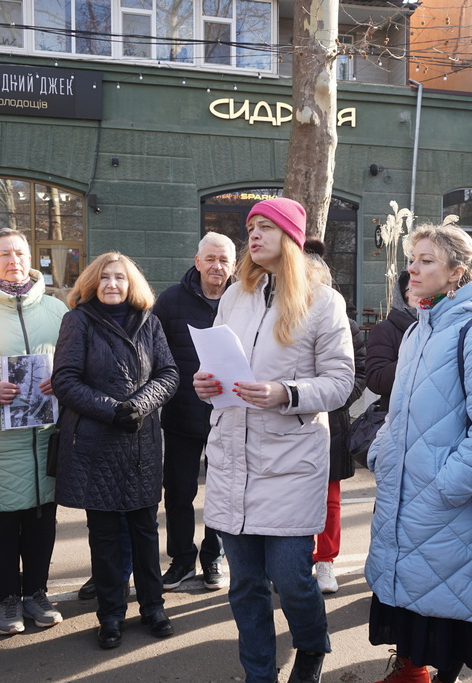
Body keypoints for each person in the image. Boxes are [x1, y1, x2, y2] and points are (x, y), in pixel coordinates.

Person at [193, 197, 354, 683]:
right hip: (231, 457)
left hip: (288, 461)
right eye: (251, 228)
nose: (254, 236)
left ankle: (311, 645)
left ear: (292, 238)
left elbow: (342, 380)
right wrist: (207, 384)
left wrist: (286, 393)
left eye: (266, 227)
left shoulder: (323, 301)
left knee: (291, 579)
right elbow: (221, 365)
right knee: (244, 583)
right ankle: (258, 674)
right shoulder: (236, 295)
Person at [366, 224, 472, 683]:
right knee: (414, 599)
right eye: (413, 258)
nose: (412, 268)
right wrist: (382, 454)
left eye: (426, 260)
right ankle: (411, 668)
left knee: (447, 614)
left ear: (458, 272)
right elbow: (398, 416)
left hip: (448, 505)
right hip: (407, 497)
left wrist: (446, 487)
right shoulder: (417, 332)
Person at [53, 252, 179, 650]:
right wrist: (113, 411)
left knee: (145, 530)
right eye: (104, 277)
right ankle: (110, 614)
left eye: (119, 278)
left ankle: (153, 607)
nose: (112, 284)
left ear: (131, 284)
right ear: (92, 283)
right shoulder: (78, 321)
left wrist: (138, 406)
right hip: (96, 445)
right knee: (105, 534)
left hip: (141, 443)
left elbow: (169, 373)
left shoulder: (150, 322)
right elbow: (66, 380)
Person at [0, 229, 68, 636]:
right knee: (0, 524)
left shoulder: (57, 310)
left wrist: (64, 383)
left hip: (45, 436)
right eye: (4, 254)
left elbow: (76, 364)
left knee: (42, 519)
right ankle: (7, 600)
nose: (14, 259)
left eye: (20, 252)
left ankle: (37, 593)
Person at [153, 232, 236, 592]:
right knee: (179, 491)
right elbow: (154, 351)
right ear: (198, 261)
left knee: (221, 492)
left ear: (233, 266)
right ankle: (182, 558)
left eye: (224, 261)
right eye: (211, 259)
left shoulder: (244, 299)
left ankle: (213, 557)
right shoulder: (171, 300)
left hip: (230, 414)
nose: (217, 266)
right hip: (182, 415)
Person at [303, 242, 367, 596]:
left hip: (331, 422)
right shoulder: (283, 321)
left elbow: (359, 376)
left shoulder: (348, 325)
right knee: (293, 495)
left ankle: (325, 560)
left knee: (329, 498)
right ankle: (297, 558)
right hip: (292, 421)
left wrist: (330, 398)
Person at [365, 272, 417, 413]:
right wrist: (414, 357)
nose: (421, 292)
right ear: (402, 296)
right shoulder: (386, 329)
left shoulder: (443, 326)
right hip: (397, 416)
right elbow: (376, 380)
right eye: (413, 288)